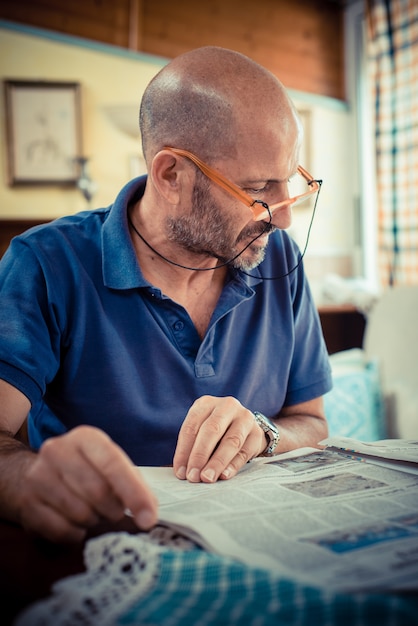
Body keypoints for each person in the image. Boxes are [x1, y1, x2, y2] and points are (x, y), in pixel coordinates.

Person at [0, 46, 332, 543]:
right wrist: (25, 480)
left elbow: (311, 421)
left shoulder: (277, 257)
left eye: (290, 184)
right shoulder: (45, 264)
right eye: (260, 190)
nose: (283, 217)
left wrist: (263, 432)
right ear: (171, 175)